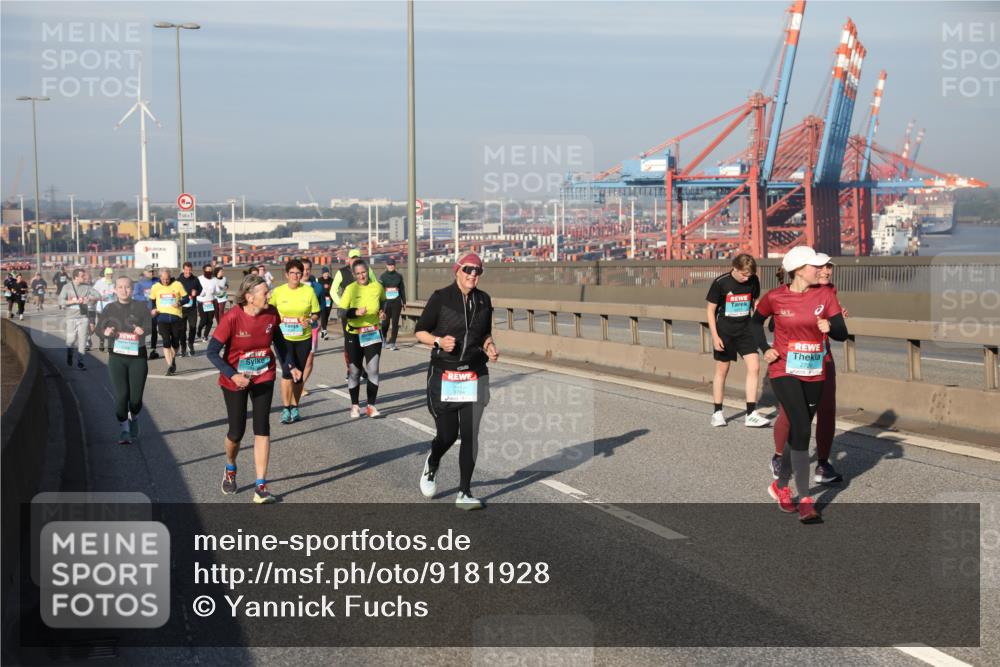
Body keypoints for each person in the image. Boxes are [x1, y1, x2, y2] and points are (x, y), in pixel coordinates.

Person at [751, 246, 848, 524]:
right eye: (815, 266)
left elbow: (842, 333)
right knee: (803, 427)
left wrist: (831, 327)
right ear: (798, 270)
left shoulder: (826, 294)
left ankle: (780, 485)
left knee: (800, 431)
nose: (821, 270)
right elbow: (756, 322)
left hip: (814, 371)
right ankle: (805, 500)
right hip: (784, 369)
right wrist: (763, 348)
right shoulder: (775, 297)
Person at [414, 253, 499, 510]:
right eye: (468, 270)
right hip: (445, 374)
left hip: (474, 372)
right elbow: (420, 331)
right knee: (448, 435)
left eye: (478, 271)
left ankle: (464, 492)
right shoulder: (441, 297)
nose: (473, 274)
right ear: (457, 271)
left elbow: (483, 333)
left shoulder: (484, 300)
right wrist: (438, 341)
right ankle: (433, 462)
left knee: (471, 434)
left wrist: (490, 345)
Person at [207, 273, 290, 504]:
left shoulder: (271, 313)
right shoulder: (232, 318)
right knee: (236, 432)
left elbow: (279, 341)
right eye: (265, 293)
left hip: (264, 373)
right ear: (249, 296)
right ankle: (230, 467)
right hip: (235, 380)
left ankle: (261, 485)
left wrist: (289, 365)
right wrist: (233, 375)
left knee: (262, 427)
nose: (269, 296)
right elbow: (212, 352)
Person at [771, 260, 846, 484]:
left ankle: (823, 465)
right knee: (790, 414)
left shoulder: (830, 291)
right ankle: (778, 457)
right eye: (820, 266)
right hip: (794, 359)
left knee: (827, 410)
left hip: (822, 357)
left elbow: (839, 330)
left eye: (829, 266)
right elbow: (772, 325)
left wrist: (834, 321)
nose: (825, 271)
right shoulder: (790, 291)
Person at [705, 253, 769, 428]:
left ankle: (751, 413)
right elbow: (710, 311)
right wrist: (715, 336)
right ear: (735, 268)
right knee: (722, 370)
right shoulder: (721, 283)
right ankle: (717, 412)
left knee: (754, 366)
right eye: (743, 274)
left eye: (749, 275)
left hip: (746, 330)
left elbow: (755, 303)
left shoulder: (753, 280)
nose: (746, 278)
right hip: (724, 331)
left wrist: (759, 321)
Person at [96, 276, 152, 445]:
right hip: (117, 358)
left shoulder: (141, 306)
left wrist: (143, 330)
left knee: (135, 400)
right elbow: (99, 329)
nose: (123, 290)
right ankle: (124, 430)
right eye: (120, 287)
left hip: (138, 358)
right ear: (114, 290)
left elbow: (150, 326)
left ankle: (134, 417)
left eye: (127, 287)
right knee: (121, 397)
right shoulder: (109, 308)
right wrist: (105, 332)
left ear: (132, 289)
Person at [268, 259, 320, 424]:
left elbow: (316, 313)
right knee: (286, 372)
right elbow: (269, 311)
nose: (296, 276)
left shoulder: (308, 291)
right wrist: (278, 321)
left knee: (298, 376)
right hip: (283, 339)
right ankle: (285, 408)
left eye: (299, 272)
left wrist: (310, 320)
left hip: (303, 338)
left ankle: (295, 406)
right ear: (286, 274)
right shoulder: (278, 292)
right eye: (293, 273)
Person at [340, 259, 386, 418]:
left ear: (368, 272)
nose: (361, 276)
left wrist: (382, 311)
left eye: (363, 272)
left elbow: (383, 301)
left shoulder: (377, 287)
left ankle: (371, 406)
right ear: (354, 275)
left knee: (373, 370)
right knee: (355, 371)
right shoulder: (350, 289)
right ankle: (354, 406)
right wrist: (355, 312)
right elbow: (341, 312)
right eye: (358, 274)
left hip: (372, 332)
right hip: (354, 333)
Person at [57, 268, 99, 370]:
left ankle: (81, 362)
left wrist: (89, 299)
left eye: (84, 276)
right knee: (71, 340)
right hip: (71, 318)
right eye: (82, 276)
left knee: (82, 340)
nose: (84, 277)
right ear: (76, 277)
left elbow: (98, 295)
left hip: (83, 317)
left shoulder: (87, 287)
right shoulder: (67, 287)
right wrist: (72, 301)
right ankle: (69, 354)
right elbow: (60, 301)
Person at [149, 268, 188, 376]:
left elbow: (186, 298)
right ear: (160, 277)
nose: (166, 281)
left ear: (170, 276)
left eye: (167, 279)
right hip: (162, 318)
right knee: (166, 342)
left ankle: (173, 358)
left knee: (175, 343)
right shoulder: (155, 287)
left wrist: (179, 303)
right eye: (164, 279)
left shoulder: (177, 284)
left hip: (176, 317)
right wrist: (153, 309)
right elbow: (152, 301)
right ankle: (170, 365)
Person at [300, 258, 326, 395]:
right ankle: (294, 381)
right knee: (297, 358)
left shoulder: (318, 287)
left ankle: (301, 386)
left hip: (312, 326)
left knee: (310, 357)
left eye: (308, 269)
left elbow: (321, 306)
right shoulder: (294, 285)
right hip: (295, 327)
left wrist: (316, 318)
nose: (305, 272)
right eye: (302, 269)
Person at [379, 258, 406, 351]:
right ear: (386, 266)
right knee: (385, 323)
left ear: (395, 266)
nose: (391, 267)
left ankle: (393, 342)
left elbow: (402, 289)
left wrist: (404, 302)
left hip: (396, 302)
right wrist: (380, 305)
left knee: (395, 323)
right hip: (386, 302)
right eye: (389, 265)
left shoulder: (399, 276)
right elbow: (379, 291)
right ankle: (384, 339)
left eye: (392, 265)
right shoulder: (382, 277)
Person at [133, 266, 160, 359]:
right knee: (142, 331)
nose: (151, 273)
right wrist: (146, 298)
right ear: (144, 272)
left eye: (152, 271)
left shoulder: (158, 280)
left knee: (154, 330)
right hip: (143, 311)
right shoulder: (139, 284)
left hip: (155, 310)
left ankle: (153, 350)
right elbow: (135, 296)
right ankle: (141, 349)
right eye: (149, 272)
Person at [177, 262, 201, 357]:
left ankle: (190, 344)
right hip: (182, 308)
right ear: (183, 270)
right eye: (186, 270)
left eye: (190, 270)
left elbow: (200, 289)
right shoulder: (178, 280)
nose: (188, 271)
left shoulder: (195, 279)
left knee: (193, 327)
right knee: (182, 329)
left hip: (192, 308)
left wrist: (197, 292)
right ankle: (183, 347)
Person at [92, 268, 117, 351]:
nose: (110, 275)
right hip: (101, 307)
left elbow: (116, 294)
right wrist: (99, 297)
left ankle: (110, 345)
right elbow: (92, 293)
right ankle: (102, 342)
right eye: (109, 274)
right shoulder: (99, 283)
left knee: (112, 326)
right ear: (105, 274)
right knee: (102, 326)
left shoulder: (114, 283)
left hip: (112, 307)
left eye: (111, 274)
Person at [196, 263, 220, 342]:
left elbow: (217, 291)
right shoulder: (199, 279)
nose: (209, 271)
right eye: (208, 270)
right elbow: (196, 289)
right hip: (202, 302)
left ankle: (205, 336)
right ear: (204, 271)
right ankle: (199, 329)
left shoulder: (214, 280)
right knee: (203, 320)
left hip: (210, 302)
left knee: (210, 321)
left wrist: (216, 292)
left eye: (211, 270)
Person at [318, 266, 334, 341]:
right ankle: (325, 333)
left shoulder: (331, 280)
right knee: (323, 315)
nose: (326, 274)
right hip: (322, 300)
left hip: (329, 300)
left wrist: (329, 287)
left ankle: (323, 331)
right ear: (322, 273)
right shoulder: (319, 280)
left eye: (327, 273)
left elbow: (334, 289)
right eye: (324, 273)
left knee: (326, 316)